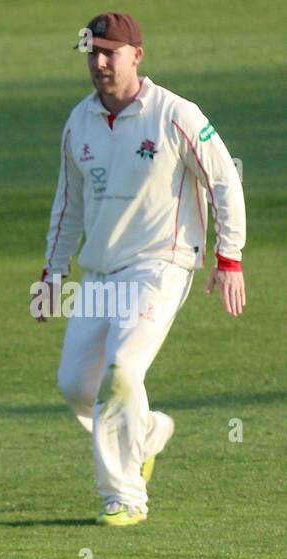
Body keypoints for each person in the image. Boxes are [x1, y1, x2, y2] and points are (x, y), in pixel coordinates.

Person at [32, 12, 246, 525]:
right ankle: (145, 432)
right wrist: (52, 272)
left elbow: (224, 180)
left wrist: (229, 257)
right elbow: (69, 205)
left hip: (160, 265)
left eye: (111, 52)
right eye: (93, 52)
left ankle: (123, 495)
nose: (101, 62)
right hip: (100, 273)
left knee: (123, 370)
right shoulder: (79, 121)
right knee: (75, 387)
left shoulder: (175, 113)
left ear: (136, 56)